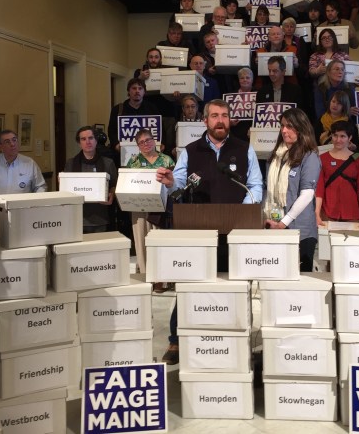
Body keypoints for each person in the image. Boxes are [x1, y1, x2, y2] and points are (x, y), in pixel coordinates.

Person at [156, 99, 263, 364]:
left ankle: (233, 335)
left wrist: (242, 214)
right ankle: (176, 341)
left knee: (234, 285)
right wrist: (170, 183)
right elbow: (178, 181)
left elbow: (256, 186)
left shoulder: (244, 149)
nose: (220, 120)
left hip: (234, 231)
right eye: (214, 115)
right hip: (197, 229)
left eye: (224, 116)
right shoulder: (191, 150)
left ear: (230, 120)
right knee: (189, 284)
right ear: (205, 120)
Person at [264, 108, 321, 272]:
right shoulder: (276, 155)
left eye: (289, 126)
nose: (284, 130)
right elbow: (268, 191)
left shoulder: (309, 156)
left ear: (301, 128)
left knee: (300, 282)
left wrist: (284, 222)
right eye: (282, 126)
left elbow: (307, 195)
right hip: (274, 225)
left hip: (300, 231)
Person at [126, 129, 175, 279]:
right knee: (141, 241)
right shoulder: (132, 162)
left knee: (161, 241)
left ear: (154, 141)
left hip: (161, 206)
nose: (145, 144)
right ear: (138, 146)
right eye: (141, 142)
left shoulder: (167, 160)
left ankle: (163, 278)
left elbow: (173, 183)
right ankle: (146, 276)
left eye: (148, 140)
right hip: (138, 207)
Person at [63, 126, 117, 234]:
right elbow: (65, 190)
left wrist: (112, 194)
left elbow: (114, 185)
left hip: (100, 217)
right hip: (77, 217)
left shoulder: (108, 163)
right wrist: (63, 183)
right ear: (79, 143)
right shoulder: (70, 163)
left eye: (91, 138)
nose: (88, 142)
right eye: (83, 139)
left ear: (96, 141)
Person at [316, 120, 359, 226]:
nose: (338, 140)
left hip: (352, 214)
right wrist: (316, 212)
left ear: (350, 138)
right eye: (335, 135)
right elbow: (319, 188)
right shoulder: (322, 158)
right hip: (327, 213)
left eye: (342, 136)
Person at [0, 129, 46, 196]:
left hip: (23, 207)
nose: (12, 144)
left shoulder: (29, 163)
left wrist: (33, 203)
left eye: (14, 140)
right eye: (7, 142)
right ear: (0, 146)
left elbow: (40, 187)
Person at [108, 78, 161, 153]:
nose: (137, 91)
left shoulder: (152, 108)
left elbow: (161, 129)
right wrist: (116, 145)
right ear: (128, 91)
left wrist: (162, 144)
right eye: (134, 88)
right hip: (124, 153)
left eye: (140, 88)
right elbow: (111, 130)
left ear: (144, 91)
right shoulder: (118, 109)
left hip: (149, 152)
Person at [315, 60, 359, 144]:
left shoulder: (350, 88)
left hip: (346, 127)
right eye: (336, 69)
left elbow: (354, 112)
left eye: (342, 69)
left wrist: (349, 112)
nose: (340, 71)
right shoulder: (321, 88)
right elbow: (320, 113)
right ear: (328, 72)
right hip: (325, 125)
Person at [229, 67, 256, 143]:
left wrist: (254, 128)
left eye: (248, 78)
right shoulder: (231, 95)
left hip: (252, 134)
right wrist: (229, 123)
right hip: (235, 134)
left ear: (252, 79)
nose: (245, 80)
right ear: (238, 80)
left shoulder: (259, 94)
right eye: (242, 78)